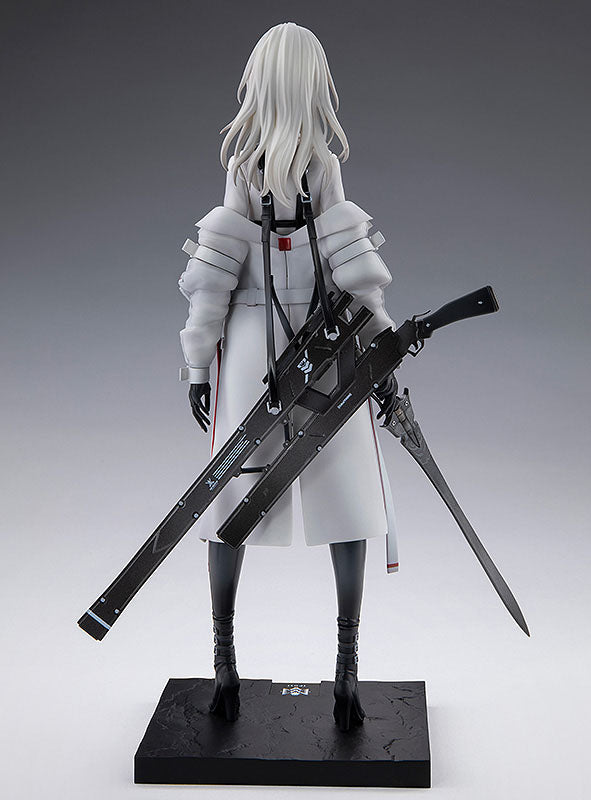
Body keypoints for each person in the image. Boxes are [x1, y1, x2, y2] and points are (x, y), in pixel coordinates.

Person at [178, 22, 399, 731]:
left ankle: (227, 663)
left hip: (257, 341)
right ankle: (344, 670)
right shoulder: (317, 164)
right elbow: (351, 267)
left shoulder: (248, 165)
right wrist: (380, 348)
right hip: (319, 341)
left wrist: (198, 361)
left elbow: (218, 271)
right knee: (337, 490)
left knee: (233, 496)